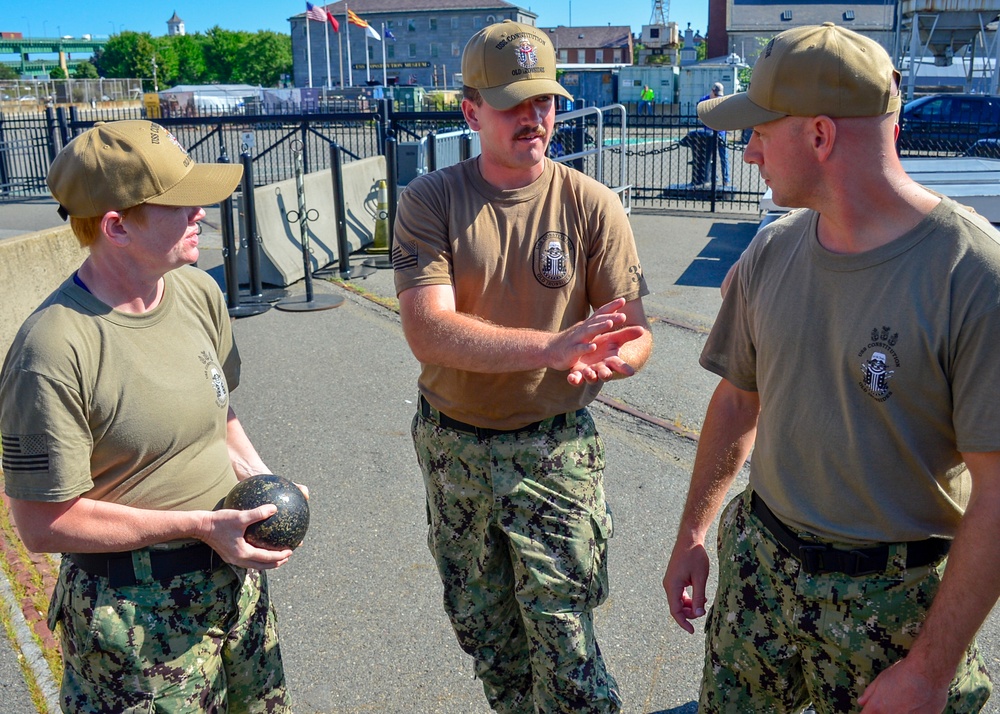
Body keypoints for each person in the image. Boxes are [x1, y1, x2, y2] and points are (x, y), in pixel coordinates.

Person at [663, 22, 999, 712]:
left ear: (819, 136)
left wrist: (930, 671)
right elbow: (736, 403)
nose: (748, 151)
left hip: (896, 615)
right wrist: (694, 531)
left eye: (760, 130)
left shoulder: (973, 276)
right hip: (761, 577)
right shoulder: (771, 252)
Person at [392, 19, 653, 714]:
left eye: (544, 100)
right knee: (489, 640)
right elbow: (429, 330)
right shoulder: (432, 201)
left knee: (566, 651)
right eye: (513, 103)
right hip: (455, 447)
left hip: (553, 454)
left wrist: (616, 359)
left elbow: (635, 331)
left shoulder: (590, 204)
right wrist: (551, 347)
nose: (534, 118)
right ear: (470, 109)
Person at [0, 120, 299, 712]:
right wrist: (195, 526)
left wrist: (266, 483)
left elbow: (221, 412)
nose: (202, 216)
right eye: (181, 204)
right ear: (116, 226)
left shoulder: (195, 293)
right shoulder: (53, 351)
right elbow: (40, 525)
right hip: (135, 621)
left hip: (232, 587)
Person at [697, 82, 730, 185]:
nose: (717, 97)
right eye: (716, 95)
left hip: (721, 132)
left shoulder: (723, 100)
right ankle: (714, 178)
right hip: (708, 133)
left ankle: (726, 179)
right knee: (709, 157)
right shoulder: (703, 101)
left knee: (724, 157)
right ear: (712, 91)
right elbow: (699, 116)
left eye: (719, 95)